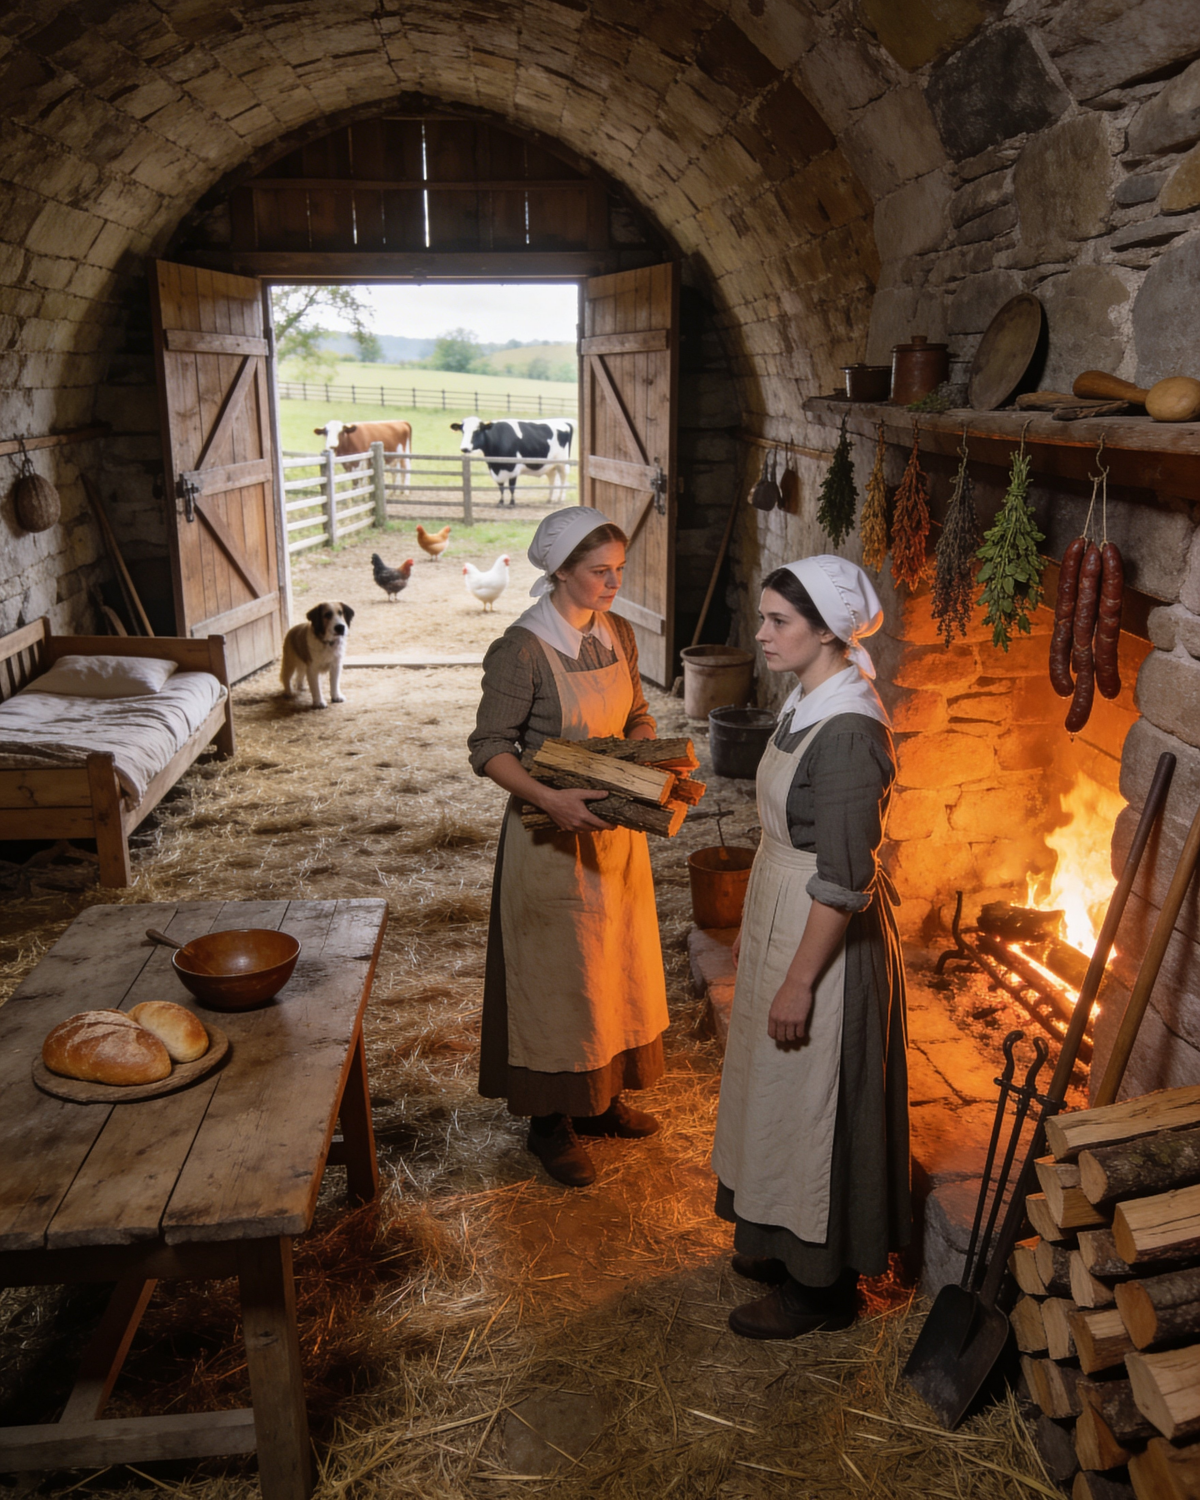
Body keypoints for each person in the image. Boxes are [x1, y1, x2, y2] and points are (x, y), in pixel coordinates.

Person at [711, 555, 910, 1340]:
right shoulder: (810, 697)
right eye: (763, 617)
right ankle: (775, 1239)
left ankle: (821, 1288)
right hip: (785, 915)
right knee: (778, 1093)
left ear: (828, 631)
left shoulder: (851, 732)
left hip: (825, 940)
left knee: (818, 1105)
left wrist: (797, 984)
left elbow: (845, 879)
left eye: (777, 622)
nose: (760, 635)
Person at [468, 507, 669, 1188]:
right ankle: (549, 1125)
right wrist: (547, 798)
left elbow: (637, 712)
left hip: (615, 832)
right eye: (599, 572)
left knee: (613, 966)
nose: (614, 583)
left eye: (618, 570)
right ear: (560, 571)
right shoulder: (521, 649)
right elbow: (489, 748)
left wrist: (649, 761)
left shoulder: (618, 633)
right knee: (558, 981)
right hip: (550, 840)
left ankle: (600, 1100)